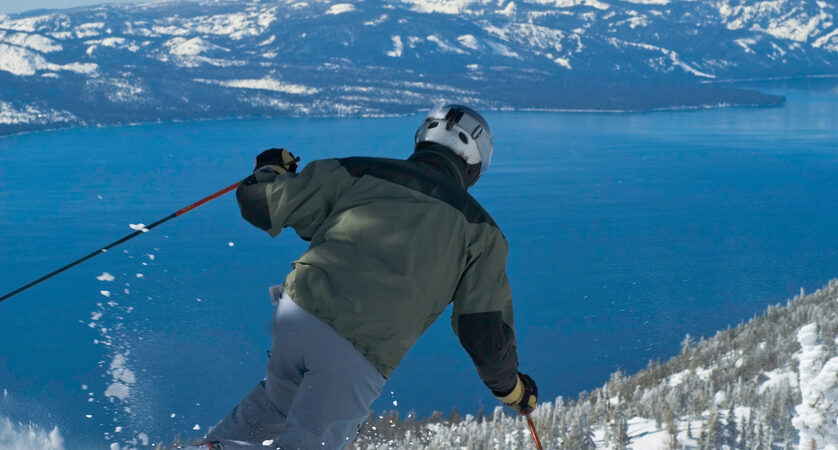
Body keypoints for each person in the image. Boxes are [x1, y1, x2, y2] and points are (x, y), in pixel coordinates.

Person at [201, 104, 538, 449]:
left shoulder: (357, 171)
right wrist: (512, 390)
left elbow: (262, 204)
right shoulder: (481, 232)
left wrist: (269, 171)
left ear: (422, 140)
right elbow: (481, 330)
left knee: (277, 404)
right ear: (474, 164)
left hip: (296, 315)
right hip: (357, 346)